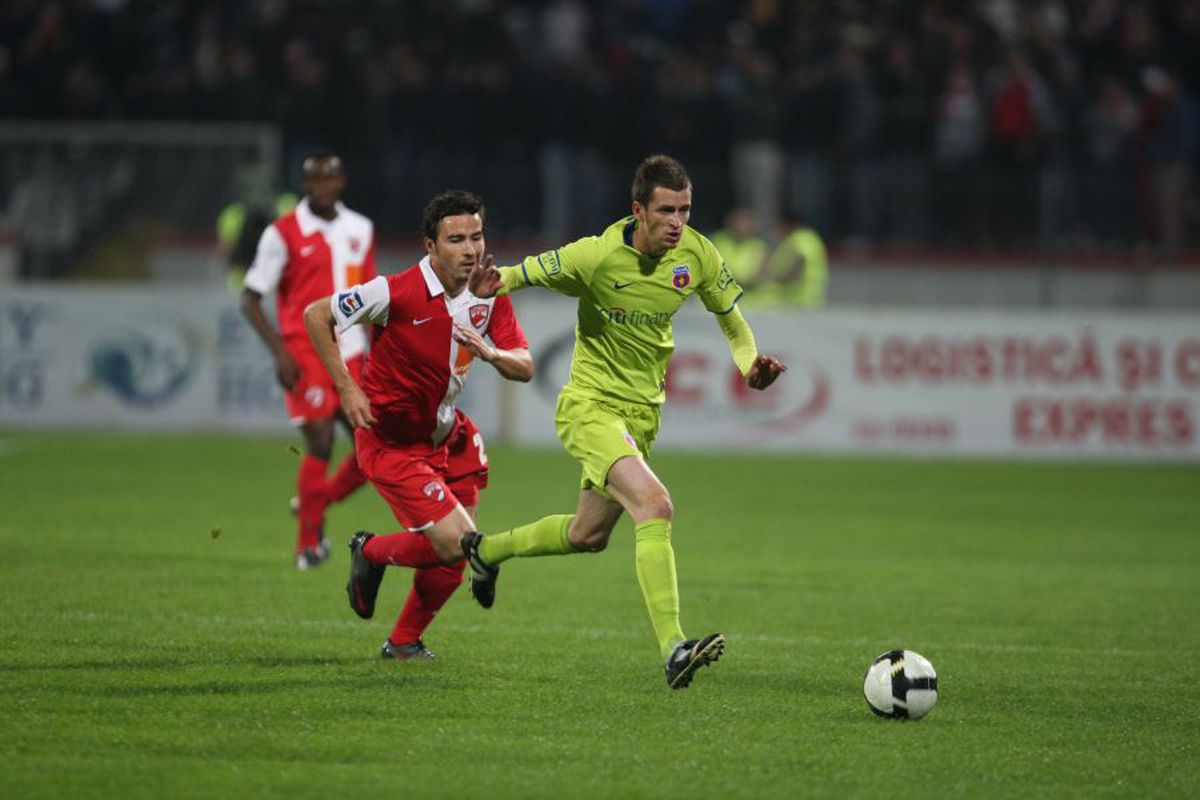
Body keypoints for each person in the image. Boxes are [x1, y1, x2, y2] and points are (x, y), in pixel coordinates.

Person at [462, 154, 787, 690]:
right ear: (638, 210)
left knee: (587, 534)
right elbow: (520, 274)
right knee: (655, 505)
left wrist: (749, 364)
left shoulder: (698, 255)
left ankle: (485, 551)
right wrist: (489, 285)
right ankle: (674, 648)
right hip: (590, 406)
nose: (677, 222)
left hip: (642, 415)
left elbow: (733, 324)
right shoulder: (594, 256)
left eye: (684, 209)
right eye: (665, 210)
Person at [302, 190, 532, 659]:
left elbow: (525, 365)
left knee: (454, 551)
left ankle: (404, 642)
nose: (470, 249)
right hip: (392, 445)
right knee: (456, 545)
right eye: (456, 239)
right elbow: (317, 315)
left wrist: (491, 353)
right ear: (430, 245)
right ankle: (369, 552)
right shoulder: (393, 292)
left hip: (451, 435)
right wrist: (347, 388)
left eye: (477, 236)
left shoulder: (488, 292)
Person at [241, 152, 374, 570]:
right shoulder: (281, 234)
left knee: (373, 449)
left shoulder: (360, 228)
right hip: (305, 350)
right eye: (313, 179)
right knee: (320, 440)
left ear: (341, 181)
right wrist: (279, 351)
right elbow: (250, 299)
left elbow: (368, 294)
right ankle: (307, 545)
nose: (321, 186)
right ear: (304, 183)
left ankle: (315, 503)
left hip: (352, 352)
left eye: (328, 178)